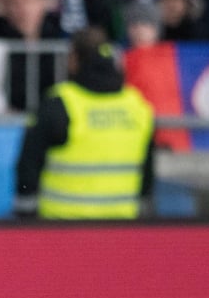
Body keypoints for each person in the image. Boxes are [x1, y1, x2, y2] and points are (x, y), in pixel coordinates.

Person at [13, 27, 155, 220]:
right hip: (121, 226)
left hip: (62, 225)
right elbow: (147, 176)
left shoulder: (60, 104)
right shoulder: (138, 107)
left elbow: (28, 165)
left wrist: (25, 215)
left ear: (74, 59)